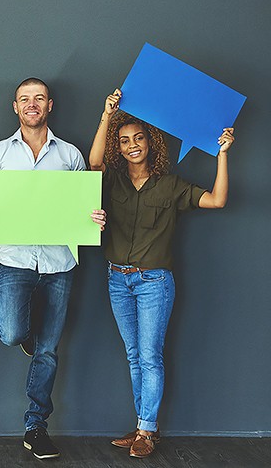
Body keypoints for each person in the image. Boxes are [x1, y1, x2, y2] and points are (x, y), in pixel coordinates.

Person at [89, 89, 234, 458]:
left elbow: (217, 200)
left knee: (150, 355)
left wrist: (222, 155)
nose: (132, 145)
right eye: (124, 141)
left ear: (151, 143)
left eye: (138, 138)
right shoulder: (114, 181)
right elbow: (92, 164)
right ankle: (142, 426)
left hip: (154, 282)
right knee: (134, 355)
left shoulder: (171, 185)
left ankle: (146, 431)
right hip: (117, 279)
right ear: (117, 148)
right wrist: (108, 115)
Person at [0, 78, 106, 460]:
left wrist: (93, 216)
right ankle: (28, 334)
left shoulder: (71, 156)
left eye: (39, 98)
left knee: (48, 351)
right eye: (25, 99)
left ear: (50, 105)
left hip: (60, 263)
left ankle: (36, 426)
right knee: (13, 334)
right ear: (15, 107)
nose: (32, 104)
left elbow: (83, 206)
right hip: (15, 261)